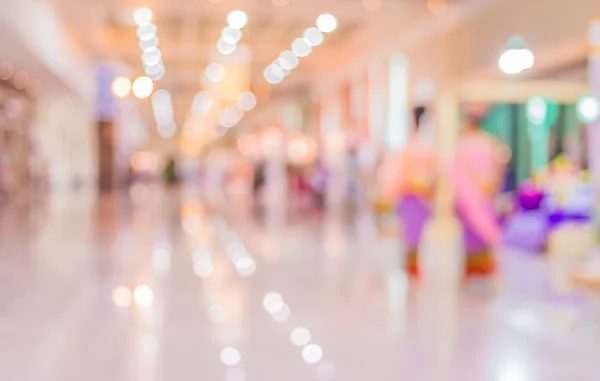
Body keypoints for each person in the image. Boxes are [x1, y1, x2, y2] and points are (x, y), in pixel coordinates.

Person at [454, 112, 510, 275]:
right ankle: (485, 273)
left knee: (474, 240)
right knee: (485, 237)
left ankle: (475, 274)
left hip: (468, 200)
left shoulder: (462, 145)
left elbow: (455, 174)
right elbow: (500, 168)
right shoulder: (490, 143)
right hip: (485, 197)